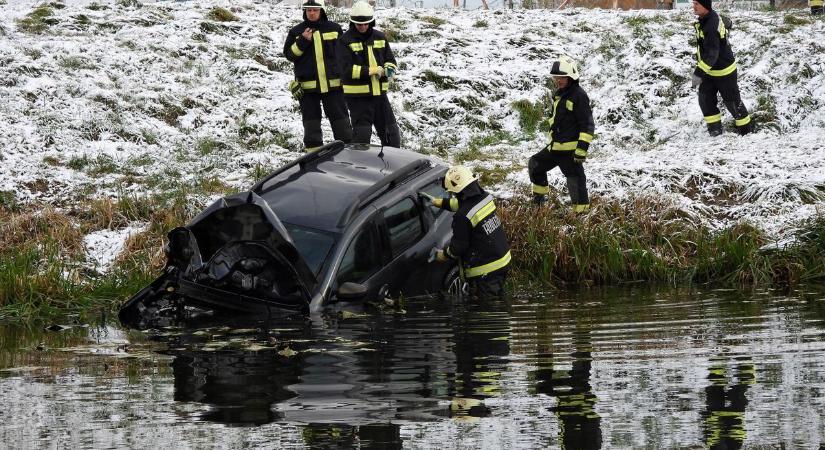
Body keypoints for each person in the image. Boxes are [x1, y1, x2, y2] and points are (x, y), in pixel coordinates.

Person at [429, 166, 511, 299]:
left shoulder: (462, 216)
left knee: (488, 313)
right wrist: (439, 202)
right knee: (498, 298)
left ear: (457, 192)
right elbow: (465, 205)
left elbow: (458, 248)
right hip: (503, 259)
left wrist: (441, 255)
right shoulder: (485, 197)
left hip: (486, 270)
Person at [283, 0, 352, 152]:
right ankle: (313, 161)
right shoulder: (296, 32)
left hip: (334, 86)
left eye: (314, 10)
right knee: (311, 129)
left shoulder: (334, 29)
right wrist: (302, 41)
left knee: (342, 125)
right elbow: (289, 55)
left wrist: (345, 78)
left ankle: (348, 155)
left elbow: (344, 55)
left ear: (322, 10)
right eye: (309, 10)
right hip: (308, 90)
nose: (312, 13)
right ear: (305, 12)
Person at [527, 56, 594, 213]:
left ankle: (581, 215)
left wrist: (581, 151)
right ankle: (539, 203)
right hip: (555, 148)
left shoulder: (579, 95)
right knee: (535, 164)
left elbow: (588, 125)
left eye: (562, 77)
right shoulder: (560, 94)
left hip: (570, 152)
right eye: (556, 77)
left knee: (575, 181)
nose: (558, 80)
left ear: (571, 76)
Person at [337, 1, 401, 147]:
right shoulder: (344, 41)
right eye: (359, 25)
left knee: (392, 136)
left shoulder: (380, 37)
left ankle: (391, 167)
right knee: (362, 139)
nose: (363, 27)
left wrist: (389, 68)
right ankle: (359, 168)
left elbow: (390, 59)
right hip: (358, 99)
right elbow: (346, 70)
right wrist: (371, 70)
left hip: (380, 96)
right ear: (353, 23)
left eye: (366, 24)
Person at [691, 0, 752, 136]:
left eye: (696, 4)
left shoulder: (711, 25)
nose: (693, 6)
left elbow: (712, 54)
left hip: (724, 72)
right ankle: (715, 131)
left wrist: (698, 74)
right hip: (709, 70)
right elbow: (725, 22)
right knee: (705, 100)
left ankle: (746, 132)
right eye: (693, 3)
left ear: (705, 6)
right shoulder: (706, 18)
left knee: (733, 103)